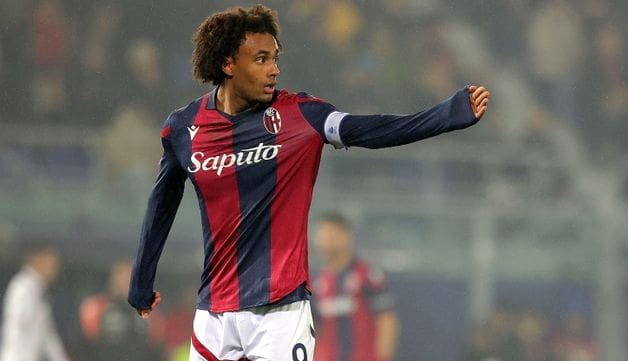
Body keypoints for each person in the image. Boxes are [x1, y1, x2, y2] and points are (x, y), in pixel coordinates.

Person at [128, 5, 490, 361]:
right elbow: (162, 203)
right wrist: (141, 280)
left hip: (280, 314)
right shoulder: (182, 128)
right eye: (261, 59)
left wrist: (447, 114)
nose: (274, 70)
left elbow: (371, 130)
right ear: (227, 64)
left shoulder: (301, 116)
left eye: (275, 58)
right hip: (214, 316)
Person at [312, 213, 399, 361]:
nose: (326, 241)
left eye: (331, 234)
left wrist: (383, 357)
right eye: (322, 236)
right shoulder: (318, 282)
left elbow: (386, 321)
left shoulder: (367, 275)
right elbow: (315, 329)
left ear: (346, 236)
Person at [79, 260, 164, 361]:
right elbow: (86, 345)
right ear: (112, 280)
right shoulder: (96, 307)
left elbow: (156, 346)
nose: (124, 282)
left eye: (129, 277)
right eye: (120, 277)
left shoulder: (150, 310)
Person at [0, 242, 70, 361]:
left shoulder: (38, 290)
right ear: (36, 260)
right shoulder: (21, 288)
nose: (55, 266)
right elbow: (14, 329)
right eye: (51, 260)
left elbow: (48, 335)